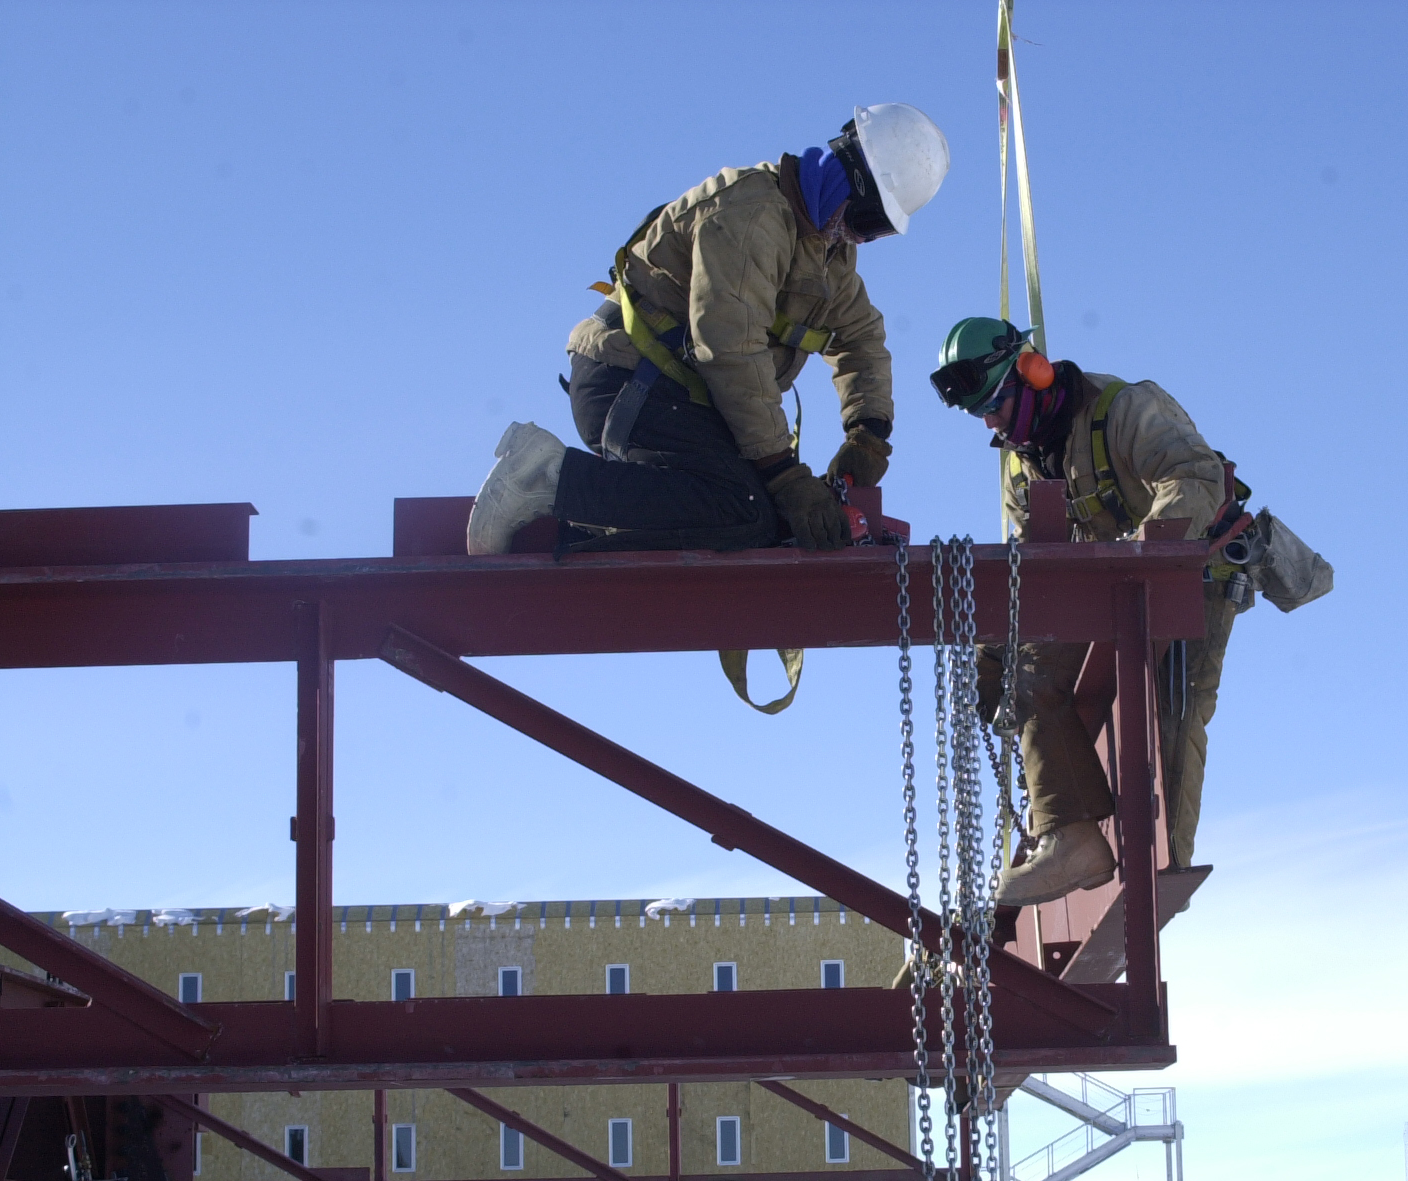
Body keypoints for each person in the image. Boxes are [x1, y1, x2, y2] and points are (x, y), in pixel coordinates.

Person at [466, 104, 949, 556]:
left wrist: (868, 434)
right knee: (746, 510)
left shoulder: (825, 253)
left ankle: (593, 515)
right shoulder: (752, 217)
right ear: (853, 182)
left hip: (680, 395)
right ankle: (547, 477)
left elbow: (861, 339)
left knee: (767, 519)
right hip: (630, 381)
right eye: (869, 221)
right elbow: (730, 350)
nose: (860, 238)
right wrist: (785, 476)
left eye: (878, 231)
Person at [930, 317, 1239, 906]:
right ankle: (1070, 836)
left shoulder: (1125, 409)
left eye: (994, 406)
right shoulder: (1025, 465)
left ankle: (1160, 872)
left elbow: (1194, 478)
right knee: (1020, 668)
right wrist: (989, 648)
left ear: (1032, 372)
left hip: (1193, 576)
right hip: (1109, 592)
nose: (992, 425)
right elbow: (1032, 567)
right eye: (980, 416)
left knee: (1173, 723)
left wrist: (1140, 553)